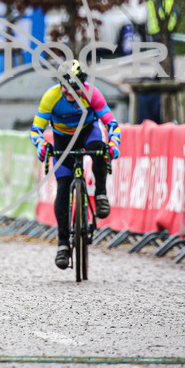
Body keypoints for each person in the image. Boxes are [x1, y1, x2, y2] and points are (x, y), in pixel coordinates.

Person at [30, 59, 122, 270]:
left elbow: (111, 123)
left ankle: (100, 193)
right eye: (66, 87)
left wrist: (114, 143)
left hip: (88, 132)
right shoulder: (51, 97)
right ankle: (63, 244)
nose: (69, 92)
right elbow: (35, 130)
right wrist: (42, 145)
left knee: (100, 148)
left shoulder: (93, 94)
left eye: (75, 88)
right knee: (63, 190)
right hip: (62, 139)